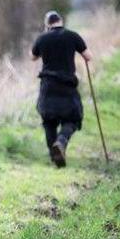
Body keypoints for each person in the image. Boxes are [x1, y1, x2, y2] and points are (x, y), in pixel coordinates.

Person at [31, 10, 93, 167]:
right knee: (72, 119)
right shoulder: (72, 36)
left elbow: (33, 57)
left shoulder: (42, 38)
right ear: (61, 21)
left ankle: (55, 157)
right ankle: (61, 141)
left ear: (47, 24)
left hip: (48, 87)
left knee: (49, 121)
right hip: (67, 86)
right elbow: (88, 56)